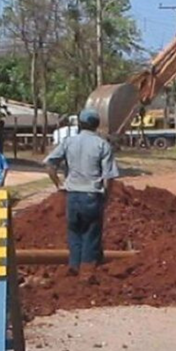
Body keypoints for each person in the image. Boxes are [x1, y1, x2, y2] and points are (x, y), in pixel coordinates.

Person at [44, 108, 119, 277]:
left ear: (79, 123)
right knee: (91, 234)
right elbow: (109, 176)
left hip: (72, 195)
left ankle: (74, 267)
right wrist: (106, 196)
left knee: (74, 233)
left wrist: (59, 185)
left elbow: (50, 165)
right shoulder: (102, 145)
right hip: (92, 195)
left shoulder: (68, 142)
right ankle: (87, 272)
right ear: (97, 125)